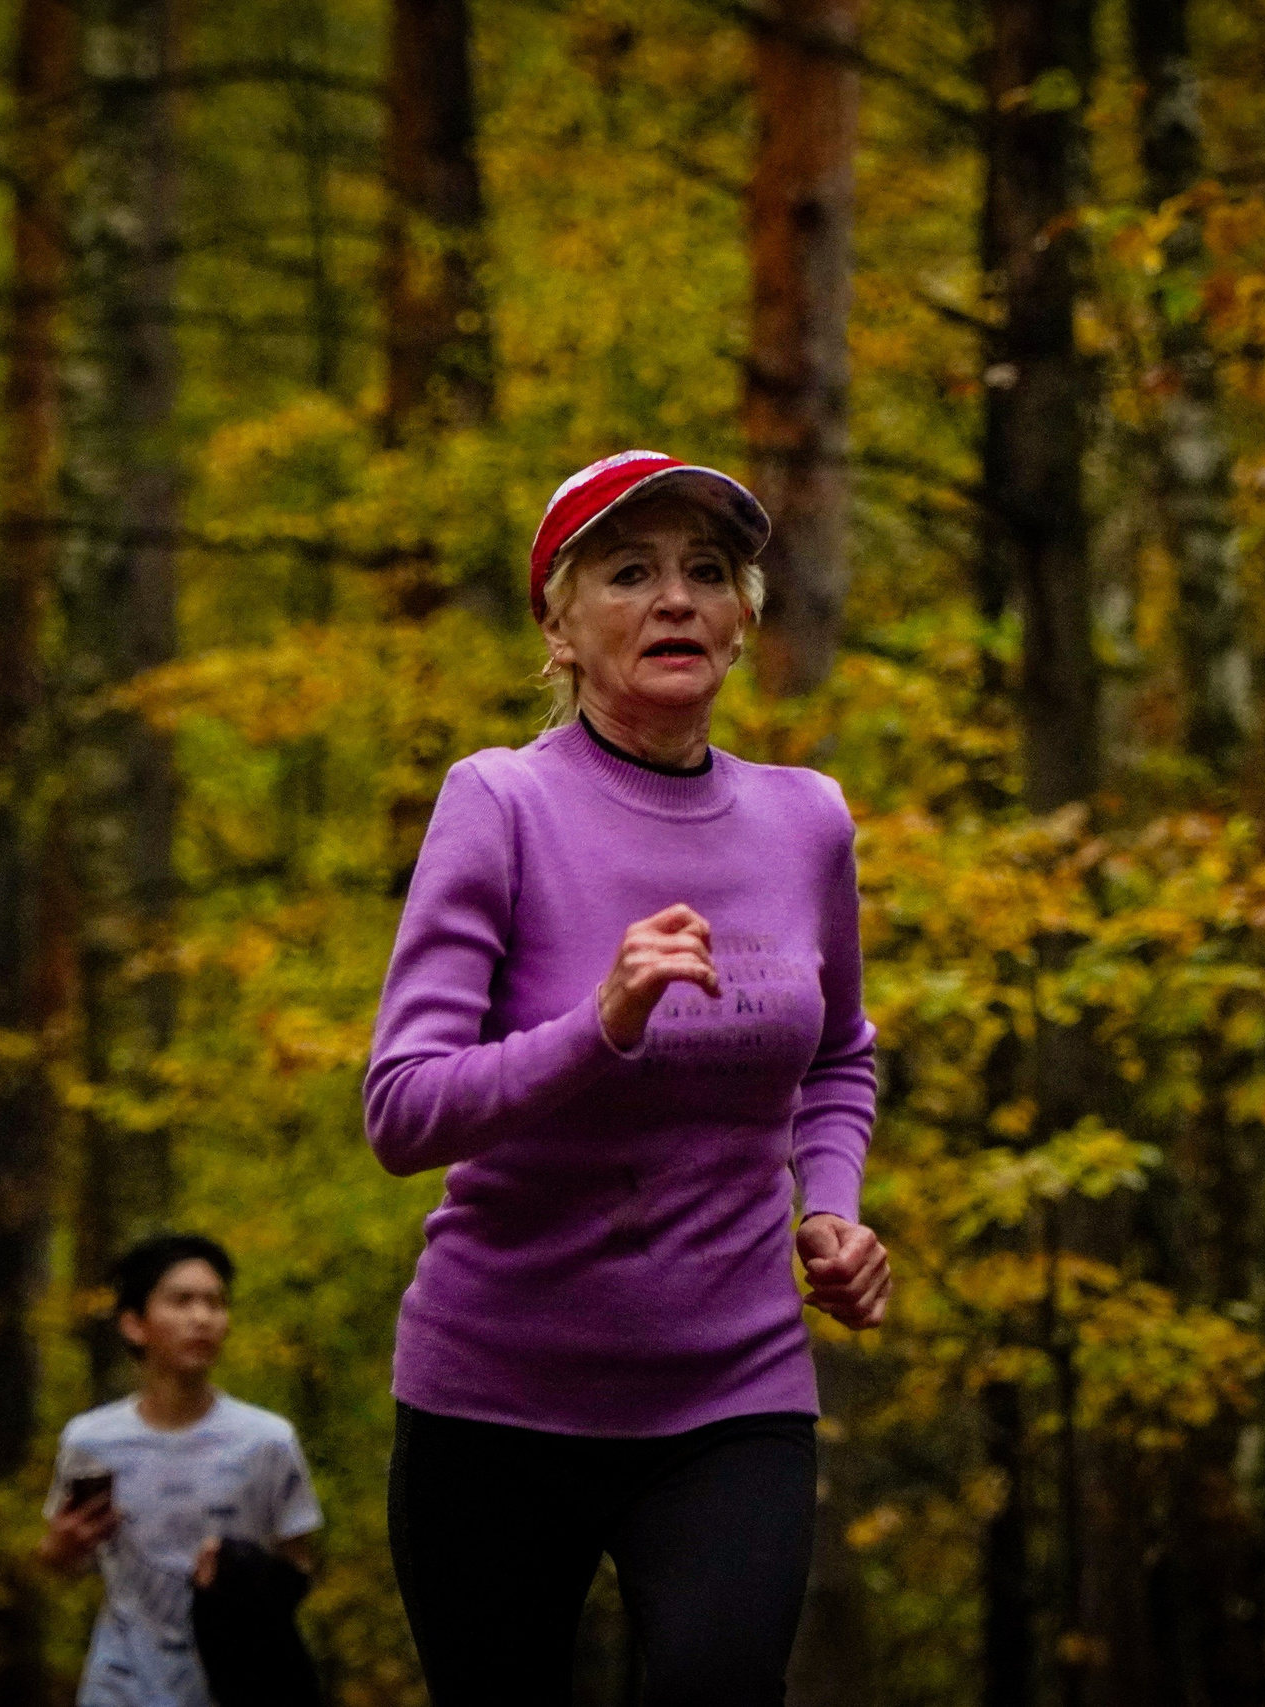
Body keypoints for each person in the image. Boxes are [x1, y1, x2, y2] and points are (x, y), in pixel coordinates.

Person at [363, 449, 892, 1706]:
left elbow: (837, 1054)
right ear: (559, 622)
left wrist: (831, 1203)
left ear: (742, 619)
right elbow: (400, 1111)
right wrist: (596, 1022)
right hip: (496, 1393)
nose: (676, 600)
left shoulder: (806, 819)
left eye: (709, 574)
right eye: (630, 572)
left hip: (731, 1387)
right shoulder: (498, 804)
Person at [40, 1233, 324, 1707]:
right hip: (120, 1685)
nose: (202, 1318)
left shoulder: (267, 1441)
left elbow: (299, 1567)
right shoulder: (91, 1442)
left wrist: (244, 1574)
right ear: (134, 1324)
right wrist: (60, 1547)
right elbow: (62, 1564)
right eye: (181, 1301)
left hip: (234, 1686)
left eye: (215, 1303)